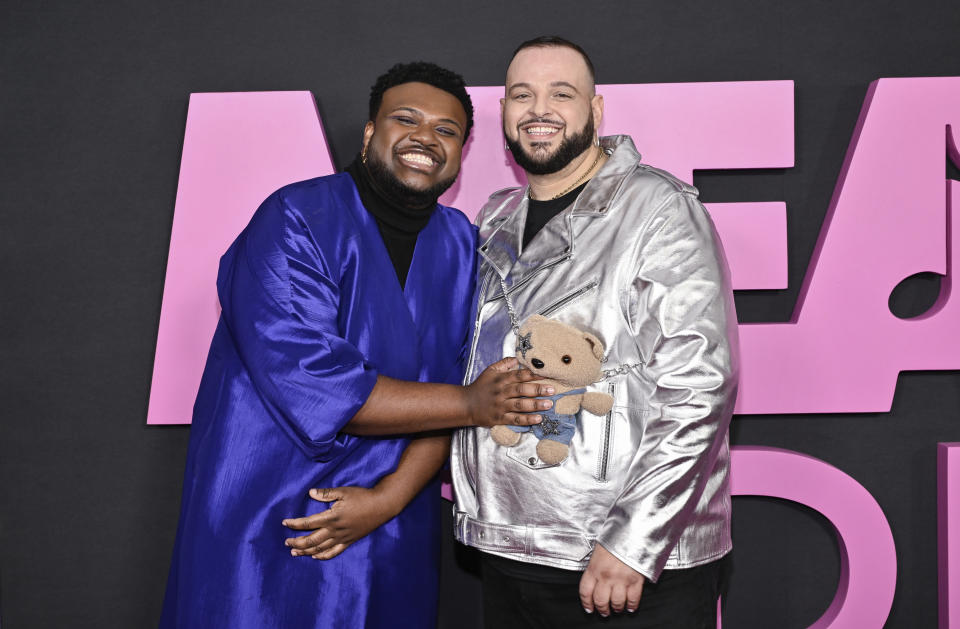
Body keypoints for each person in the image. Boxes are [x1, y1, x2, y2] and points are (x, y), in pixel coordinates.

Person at [160, 62, 553, 629]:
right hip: (276, 516)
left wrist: (391, 498)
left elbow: (462, 378)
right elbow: (319, 384)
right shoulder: (295, 219)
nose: (426, 137)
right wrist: (471, 403)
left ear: (461, 153)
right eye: (406, 119)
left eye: (447, 130)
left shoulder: (464, 246)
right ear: (370, 132)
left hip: (393, 520)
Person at [449, 37, 740, 628]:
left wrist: (633, 541)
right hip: (506, 547)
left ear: (596, 110)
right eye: (522, 95)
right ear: (502, 111)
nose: (539, 110)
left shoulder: (658, 209)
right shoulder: (493, 219)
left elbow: (701, 384)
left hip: (619, 563)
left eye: (562, 93)